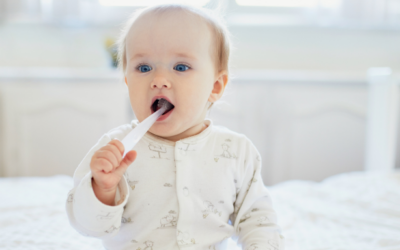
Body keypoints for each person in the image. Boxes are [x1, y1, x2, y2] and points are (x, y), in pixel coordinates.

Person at [66, 4, 285, 250]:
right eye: (144, 68)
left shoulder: (237, 151)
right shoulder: (115, 150)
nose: (158, 80)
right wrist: (102, 189)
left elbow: (258, 220)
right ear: (127, 81)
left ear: (215, 86)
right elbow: (88, 228)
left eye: (181, 67)